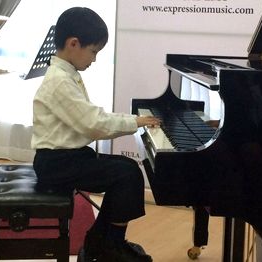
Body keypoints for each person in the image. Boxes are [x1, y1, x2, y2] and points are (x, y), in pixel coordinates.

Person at [31, 7, 160, 262]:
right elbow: (94, 124)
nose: (94, 59)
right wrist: (135, 121)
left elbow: (91, 117)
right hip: (56, 163)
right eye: (93, 52)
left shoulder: (66, 74)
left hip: (66, 158)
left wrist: (133, 121)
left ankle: (101, 242)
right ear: (73, 44)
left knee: (125, 169)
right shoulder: (59, 81)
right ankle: (109, 245)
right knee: (127, 174)